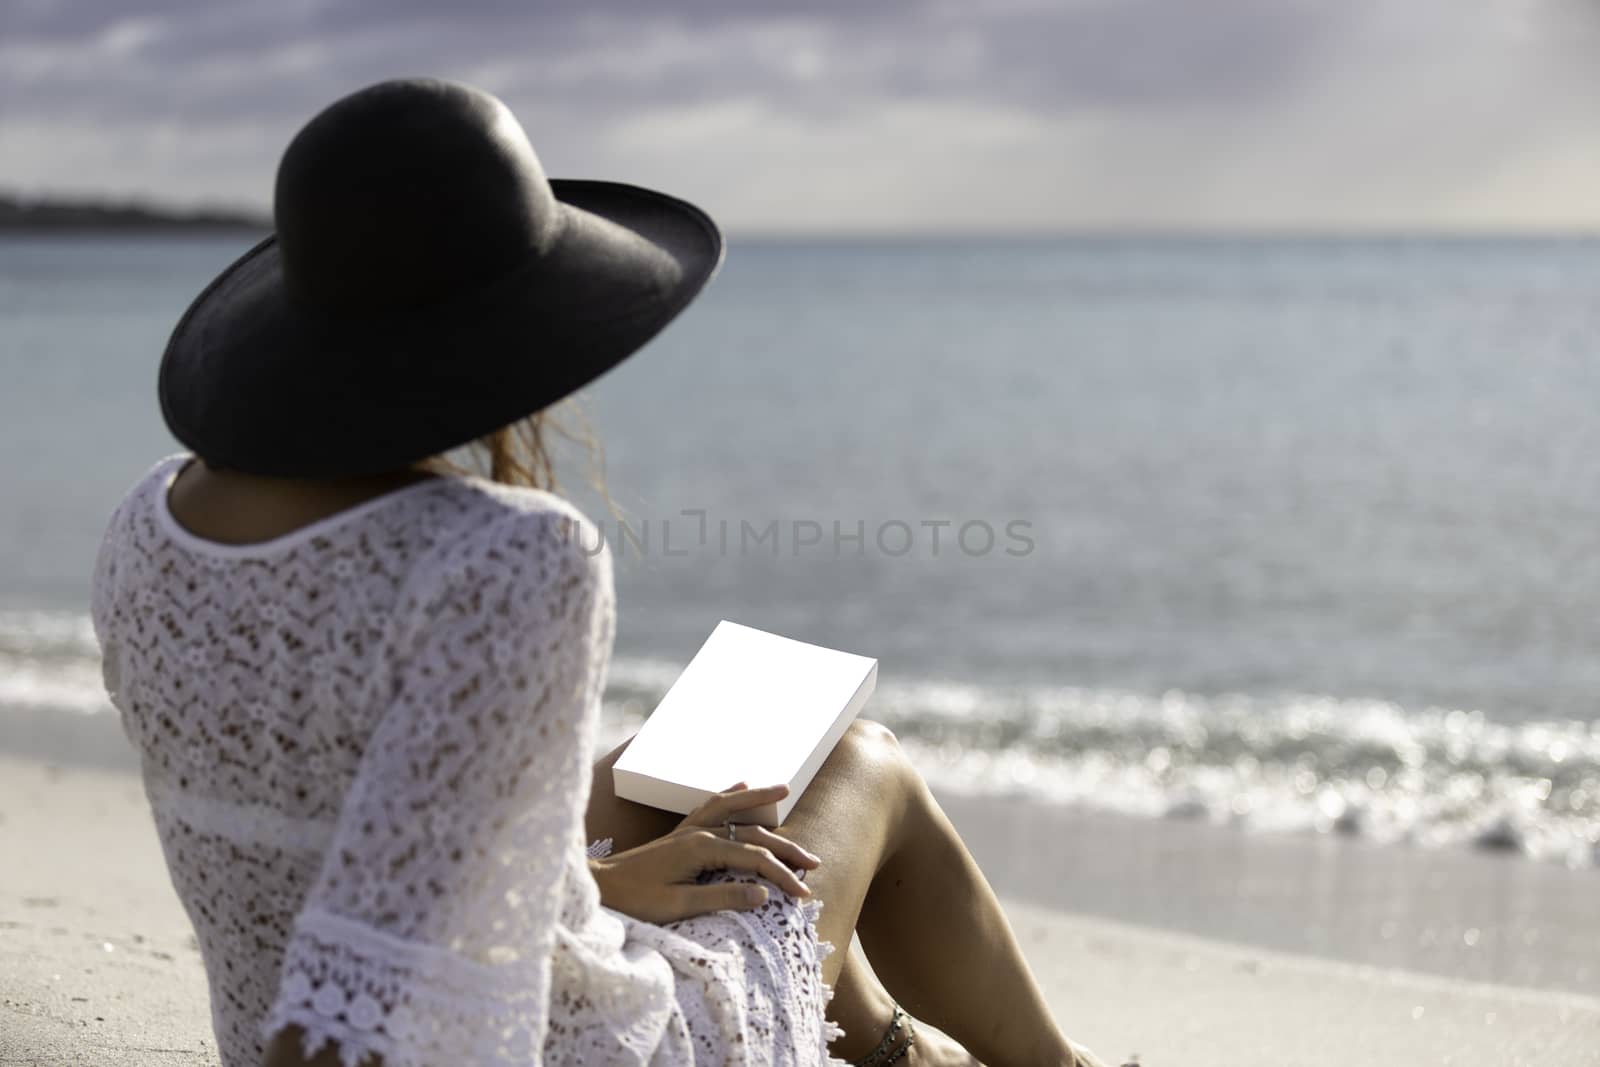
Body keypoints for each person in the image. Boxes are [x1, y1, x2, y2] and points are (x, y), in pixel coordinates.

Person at [89, 77, 1115, 1067]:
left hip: (282, 1010)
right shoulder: (506, 555)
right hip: (581, 1043)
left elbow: (364, 858)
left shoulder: (153, 522)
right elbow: (379, 977)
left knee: (678, 780)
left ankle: (907, 1046)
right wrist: (602, 891)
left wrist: (603, 879)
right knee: (867, 762)